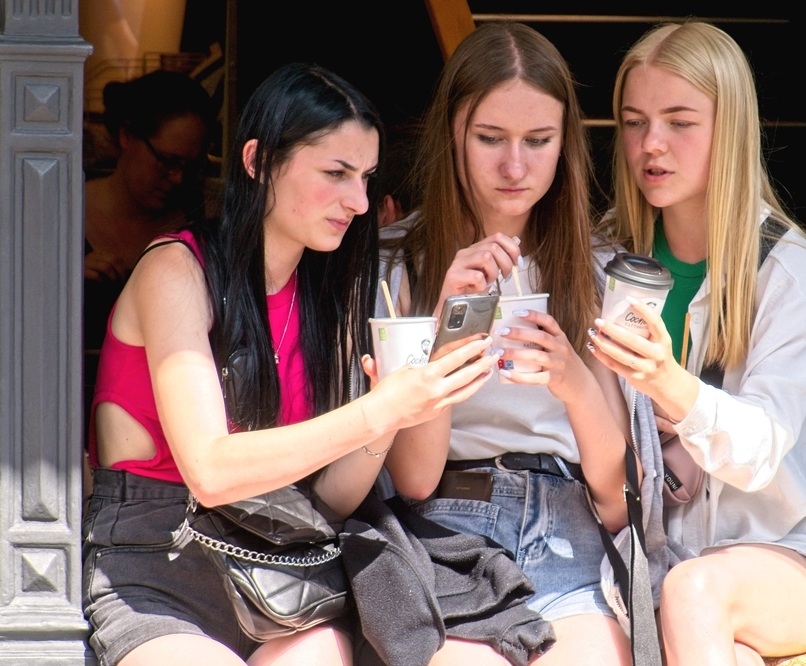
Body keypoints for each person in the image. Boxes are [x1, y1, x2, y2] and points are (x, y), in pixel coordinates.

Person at [83, 63, 497, 666]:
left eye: (365, 178)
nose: (358, 202)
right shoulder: (176, 269)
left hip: (276, 567)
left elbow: (329, 497)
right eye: (335, 173)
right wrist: (376, 409)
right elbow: (210, 470)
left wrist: (391, 416)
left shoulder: (324, 293)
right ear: (257, 161)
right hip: (156, 564)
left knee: (325, 649)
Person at [380, 22, 644, 665]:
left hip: (571, 526)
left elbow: (618, 500)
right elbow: (413, 480)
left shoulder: (600, 267)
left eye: (539, 140)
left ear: (566, 145)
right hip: (447, 535)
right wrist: (449, 328)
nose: (515, 166)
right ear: (452, 135)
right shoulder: (398, 265)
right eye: (490, 139)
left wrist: (574, 381)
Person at [587, 22, 806, 665]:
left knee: (695, 591)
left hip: (784, 557)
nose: (652, 145)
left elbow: (760, 450)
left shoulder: (783, 269)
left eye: (680, 122)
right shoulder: (602, 258)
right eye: (634, 121)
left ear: (729, 129)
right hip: (646, 560)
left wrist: (666, 383)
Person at [84, 69, 216, 351]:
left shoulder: (204, 216)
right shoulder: (64, 211)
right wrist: (63, 276)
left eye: (190, 167)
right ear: (127, 136)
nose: (178, 178)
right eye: (167, 161)